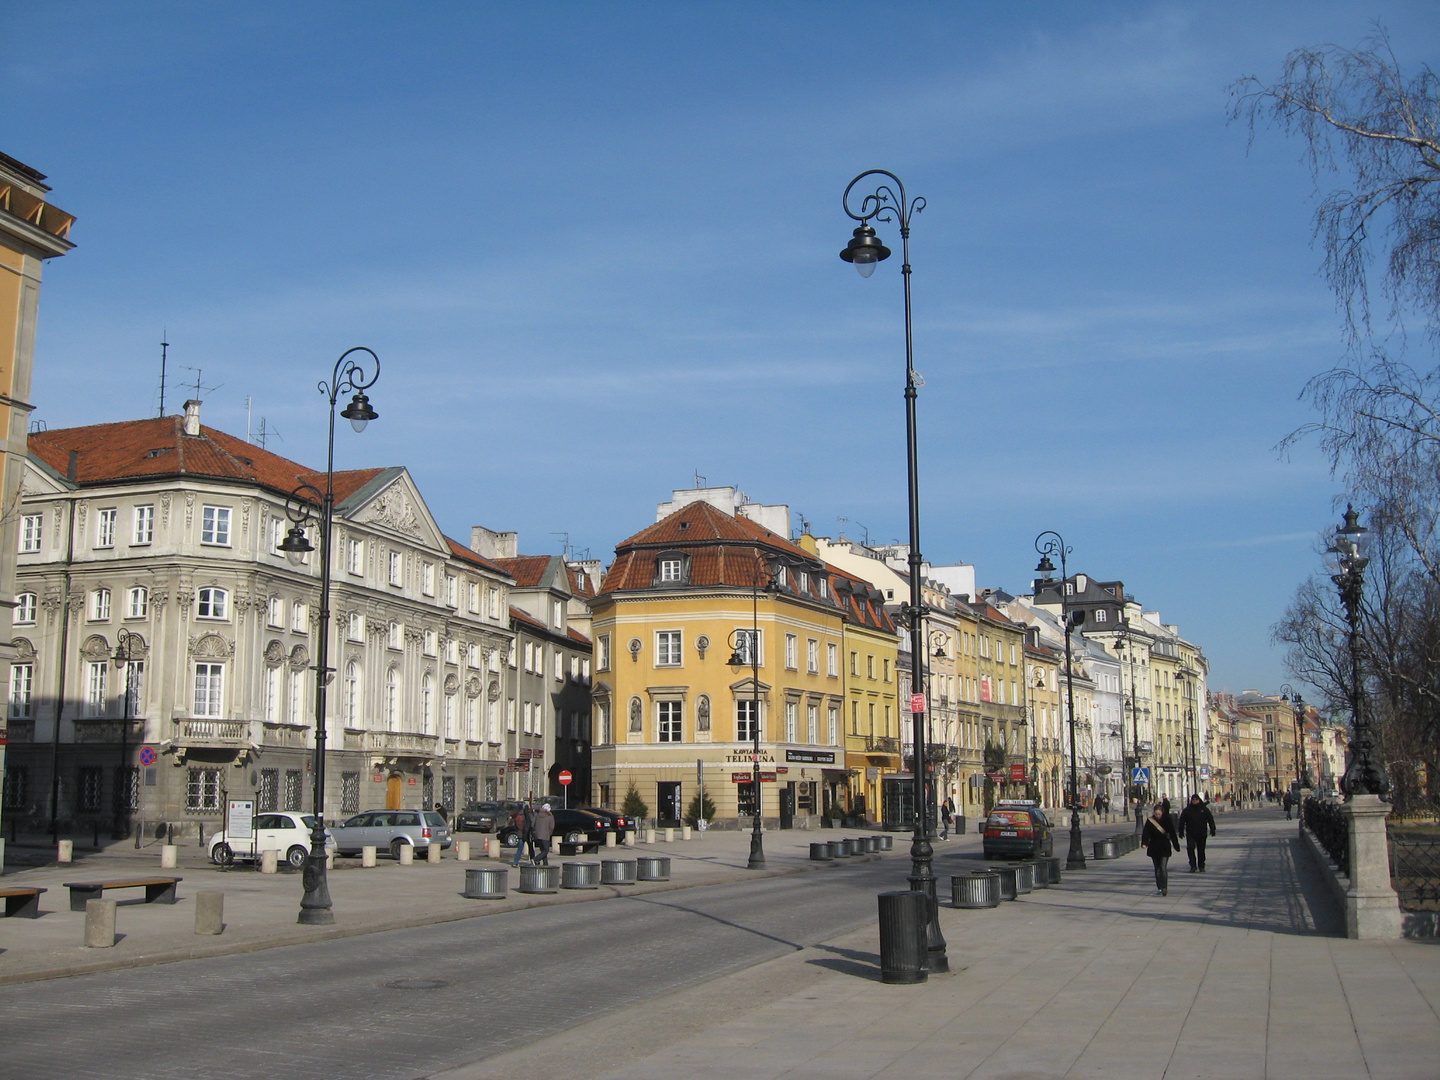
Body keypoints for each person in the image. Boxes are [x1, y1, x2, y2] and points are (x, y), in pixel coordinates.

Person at [1141, 801, 1180, 896]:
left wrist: (1176, 845)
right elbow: (1146, 833)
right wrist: (1144, 843)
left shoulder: (1167, 820)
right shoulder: (1150, 821)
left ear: (1162, 813)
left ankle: (1165, 887)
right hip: (1154, 847)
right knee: (1157, 869)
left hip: (1164, 846)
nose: (1157, 815)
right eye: (1156, 814)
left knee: (1163, 867)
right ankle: (1159, 887)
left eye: (1159, 814)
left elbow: (1172, 833)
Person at [1177, 793, 1217, 872]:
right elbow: (1182, 821)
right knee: (1190, 848)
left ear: (1199, 800)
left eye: (1196, 800)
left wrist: (1212, 829)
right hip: (1191, 833)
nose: (1195, 801)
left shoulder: (1203, 809)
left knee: (1201, 850)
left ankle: (1201, 865)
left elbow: (1210, 819)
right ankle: (1193, 865)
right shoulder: (1187, 810)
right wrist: (1180, 831)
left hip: (1201, 833)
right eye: (1193, 800)